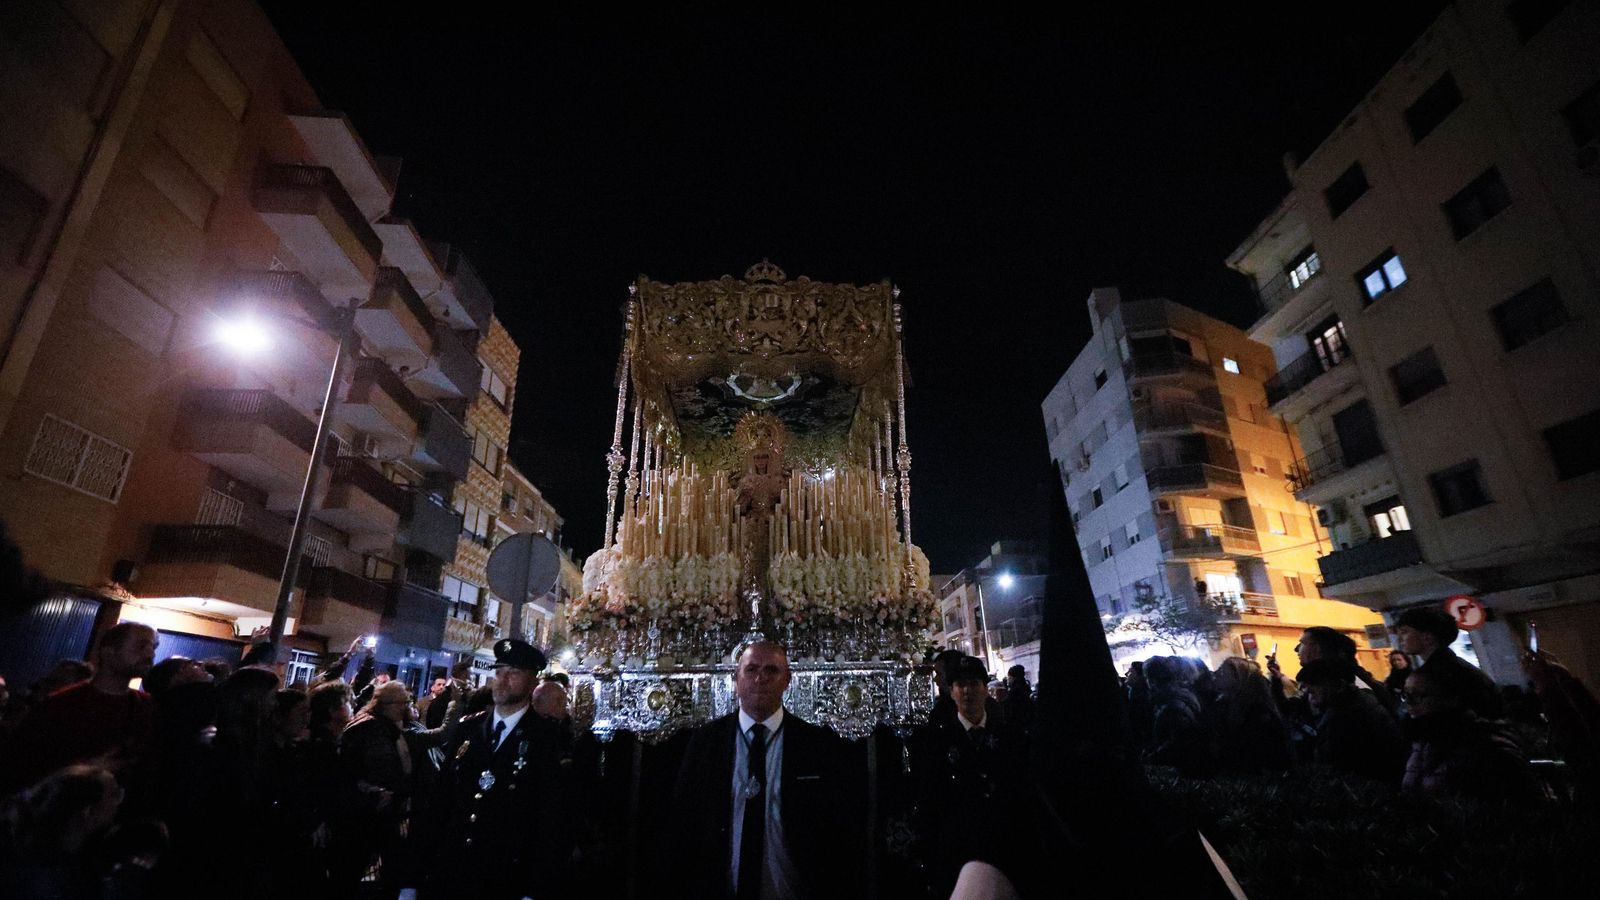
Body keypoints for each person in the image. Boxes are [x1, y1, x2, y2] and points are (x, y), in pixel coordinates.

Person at [669, 640, 864, 899]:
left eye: (771, 670)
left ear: (787, 681)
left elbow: (836, 832)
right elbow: (684, 823)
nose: (760, 678)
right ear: (736, 679)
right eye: (751, 670)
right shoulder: (707, 742)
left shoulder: (816, 744)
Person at [424, 639, 571, 900]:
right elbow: (440, 800)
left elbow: (549, 818)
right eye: (499, 672)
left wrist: (534, 889)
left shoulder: (544, 737)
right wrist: (413, 877)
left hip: (505, 877)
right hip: (453, 872)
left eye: (513, 674)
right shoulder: (469, 728)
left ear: (532, 683)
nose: (502, 681)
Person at [908, 656, 1038, 898]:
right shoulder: (937, 741)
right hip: (956, 852)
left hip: (1003, 849)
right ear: (951, 691)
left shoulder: (1009, 736)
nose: (967, 691)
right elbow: (930, 799)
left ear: (985, 689)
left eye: (974, 684)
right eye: (960, 685)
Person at [2, 622, 158, 797]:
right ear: (108, 652)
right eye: (141, 645)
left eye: (154, 647)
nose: (150, 654)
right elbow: (20, 764)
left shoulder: (147, 707)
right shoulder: (60, 705)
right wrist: (82, 771)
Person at [1400, 669, 1543, 805]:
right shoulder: (1424, 739)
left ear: (1449, 698)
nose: (1409, 703)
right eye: (1406, 695)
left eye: (1418, 695)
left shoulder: (1484, 744)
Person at [1296, 658, 1408, 785]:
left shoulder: (1347, 715)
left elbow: (1340, 766)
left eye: (1315, 685)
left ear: (1339, 685)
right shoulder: (1351, 704)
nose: (1309, 692)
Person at [1396, 606, 1503, 720]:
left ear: (1427, 637)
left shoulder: (1435, 675)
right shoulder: (1456, 666)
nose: (1400, 639)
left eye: (1404, 632)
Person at [1204, 657, 1291, 775]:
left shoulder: (1258, 713)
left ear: (1238, 678)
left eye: (1222, 671)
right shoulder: (1224, 704)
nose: (1216, 674)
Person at [1143, 656, 1209, 776]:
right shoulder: (1177, 696)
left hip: (1183, 771)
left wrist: (1152, 757)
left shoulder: (1172, 703)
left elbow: (1178, 740)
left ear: (1152, 680)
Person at [1002, 665, 1036, 735]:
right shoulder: (1026, 687)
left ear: (1013, 677)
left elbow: (1008, 710)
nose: (1008, 679)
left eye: (1009, 677)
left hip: (1018, 728)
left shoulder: (1014, 692)